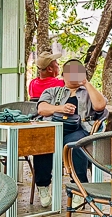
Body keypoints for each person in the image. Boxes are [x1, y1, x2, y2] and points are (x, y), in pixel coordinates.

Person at [33, 59, 107, 208]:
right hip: (55, 128)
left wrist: (86, 83)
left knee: (75, 145)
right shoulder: (53, 91)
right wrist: (59, 108)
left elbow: (100, 105)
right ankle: (43, 186)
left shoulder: (88, 92)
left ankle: (79, 187)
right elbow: (41, 109)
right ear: (63, 74)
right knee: (41, 144)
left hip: (81, 129)